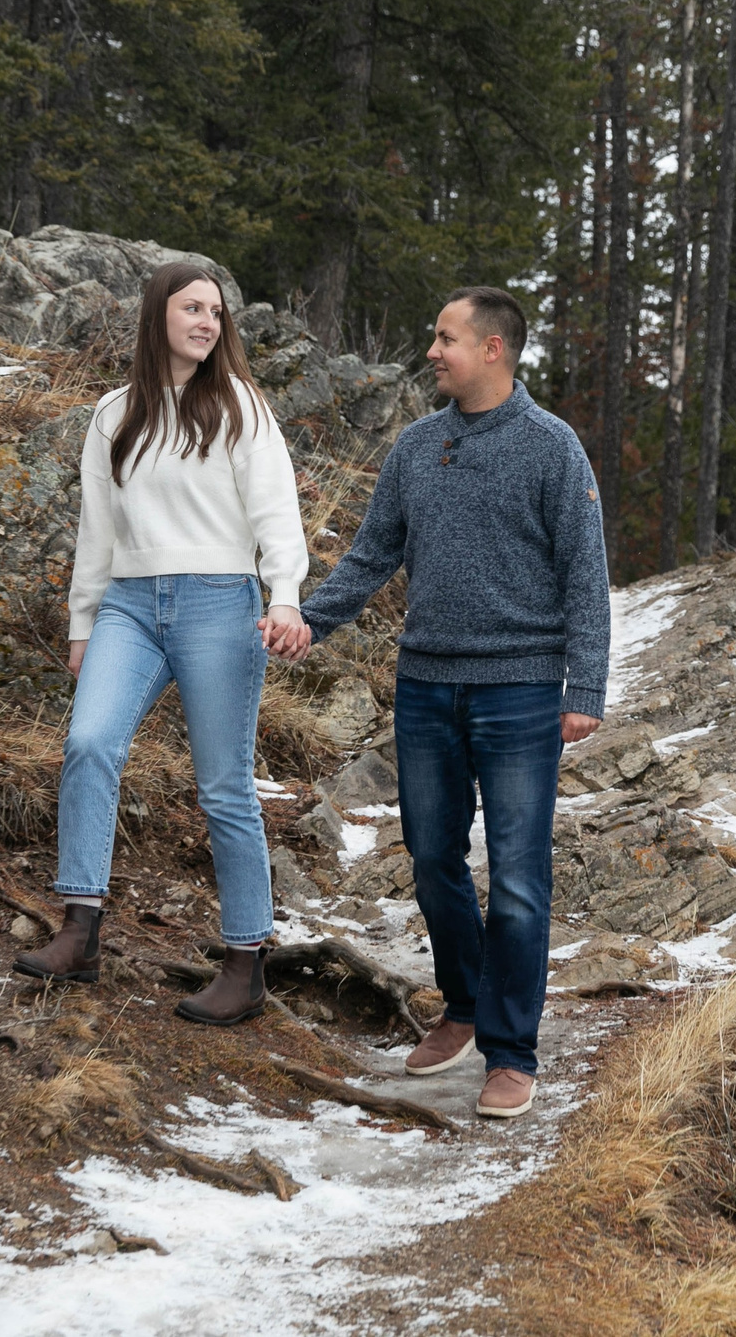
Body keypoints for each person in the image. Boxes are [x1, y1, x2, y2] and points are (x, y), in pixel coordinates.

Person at [293, 286, 609, 1119]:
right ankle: (463, 1005)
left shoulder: (551, 447)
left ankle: (511, 1049)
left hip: (521, 692)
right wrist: (305, 622)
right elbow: (370, 557)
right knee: (432, 859)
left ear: (494, 350)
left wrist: (588, 688)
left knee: (517, 876)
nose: (431, 351)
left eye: (445, 338)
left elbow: (586, 574)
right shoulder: (415, 447)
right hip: (427, 685)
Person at [14, 261, 314, 1026]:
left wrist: (284, 596)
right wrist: (84, 623)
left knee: (224, 785)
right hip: (131, 607)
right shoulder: (115, 414)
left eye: (217, 312)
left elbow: (277, 512)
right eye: (193, 308)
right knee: (88, 742)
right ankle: (80, 930)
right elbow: (97, 531)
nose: (208, 322)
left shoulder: (240, 406)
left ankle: (246, 963)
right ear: (159, 316)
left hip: (222, 604)